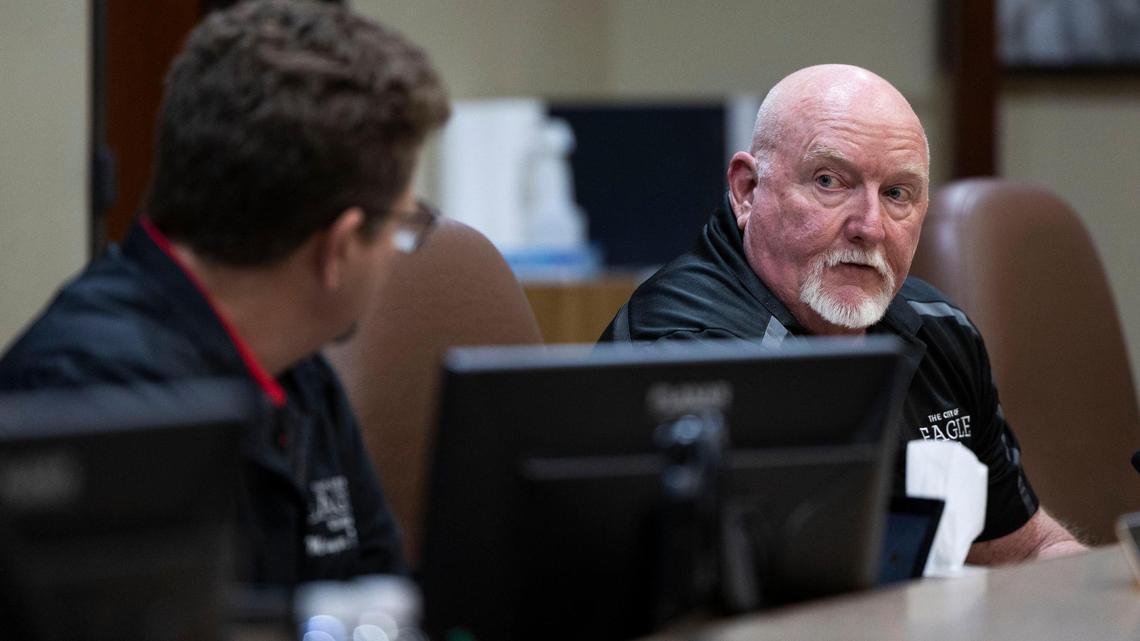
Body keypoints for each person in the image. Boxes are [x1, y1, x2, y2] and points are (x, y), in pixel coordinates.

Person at [0, 0, 450, 583]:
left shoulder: (298, 370)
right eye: (400, 225)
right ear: (338, 249)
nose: (396, 249)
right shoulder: (83, 402)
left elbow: (377, 596)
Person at [600, 64, 1085, 564]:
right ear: (747, 190)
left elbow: (1028, 546)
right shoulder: (686, 351)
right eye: (830, 181)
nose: (869, 226)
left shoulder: (942, 331)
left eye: (897, 193)